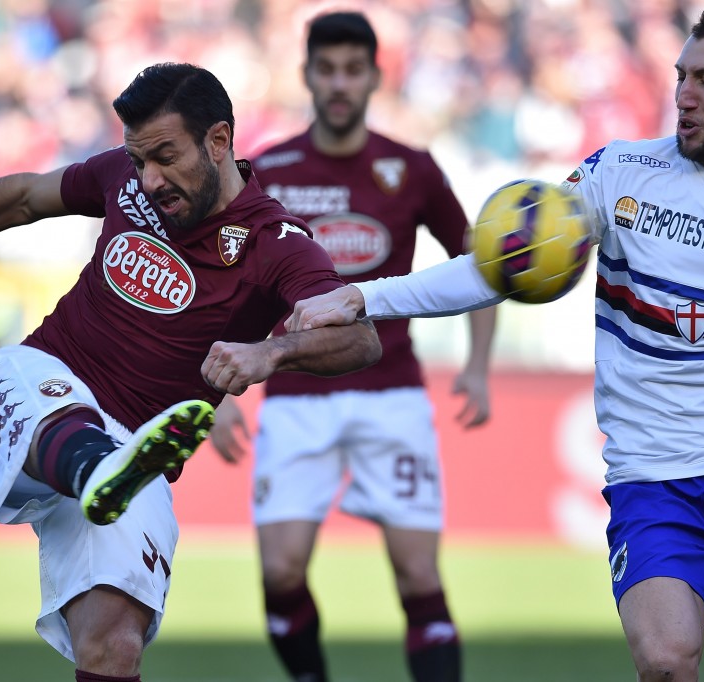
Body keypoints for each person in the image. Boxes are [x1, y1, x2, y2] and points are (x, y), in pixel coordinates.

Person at [286, 3, 704, 680]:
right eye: (682, 75)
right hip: (653, 483)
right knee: (665, 659)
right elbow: (494, 267)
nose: (684, 94)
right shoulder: (619, 171)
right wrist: (365, 297)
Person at [0, 62, 381, 682]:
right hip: (40, 384)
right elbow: (26, 196)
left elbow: (361, 339)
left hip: (135, 458)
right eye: (139, 158)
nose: (150, 177)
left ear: (218, 141)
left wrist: (271, 354)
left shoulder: (276, 244)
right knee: (58, 411)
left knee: (114, 646)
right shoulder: (125, 180)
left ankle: (108, 473)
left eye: (165, 156)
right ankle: (97, 469)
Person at [207, 12, 496, 682]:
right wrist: (218, 390)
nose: (339, 83)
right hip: (295, 395)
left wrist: (478, 366)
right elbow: (227, 288)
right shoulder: (267, 170)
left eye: (352, 69)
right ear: (306, 74)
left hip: (389, 391)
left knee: (418, 573)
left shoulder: (412, 168)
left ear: (374, 76)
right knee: (280, 572)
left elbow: (478, 265)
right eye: (327, 69)